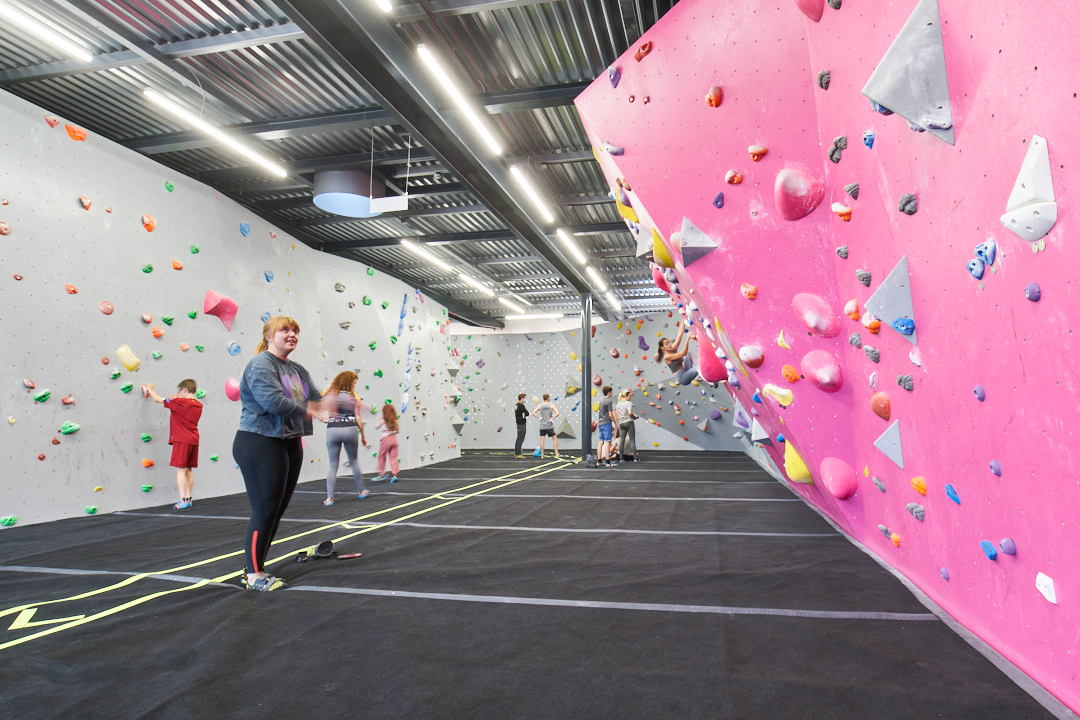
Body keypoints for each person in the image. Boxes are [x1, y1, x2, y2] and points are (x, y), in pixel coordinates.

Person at [234, 316, 330, 592]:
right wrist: (311, 410)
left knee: (275, 510)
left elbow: (315, 397)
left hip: (289, 441)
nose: (292, 335)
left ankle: (255, 566)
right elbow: (273, 402)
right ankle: (253, 575)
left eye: (295, 331)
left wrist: (334, 402)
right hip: (259, 442)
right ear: (268, 336)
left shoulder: (296, 368)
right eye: (284, 330)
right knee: (264, 510)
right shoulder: (261, 364)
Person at [144, 379, 203, 510]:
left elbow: (157, 399)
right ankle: (188, 498)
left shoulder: (178, 402)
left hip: (182, 440)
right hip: (193, 439)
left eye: (179, 391)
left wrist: (150, 388)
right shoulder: (198, 405)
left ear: (184, 390)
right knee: (188, 469)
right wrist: (175, 400)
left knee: (180, 470)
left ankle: (182, 500)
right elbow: (181, 409)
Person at [322, 371, 369, 505]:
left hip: (333, 429)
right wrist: (363, 435)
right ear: (349, 382)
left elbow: (326, 407)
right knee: (353, 461)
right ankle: (361, 491)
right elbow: (358, 418)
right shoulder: (354, 397)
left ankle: (329, 498)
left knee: (332, 465)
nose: (354, 385)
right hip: (350, 428)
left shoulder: (331, 395)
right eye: (354, 382)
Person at [656, 321, 699, 385]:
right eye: (666, 344)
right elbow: (683, 354)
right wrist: (687, 339)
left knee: (689, 353)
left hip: (685, 370)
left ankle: (700, 368)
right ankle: (707, 376)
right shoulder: (667, 357)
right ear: (662, 347)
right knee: (699, 367)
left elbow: (680, 333)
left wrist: (683, 320)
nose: (669, 344)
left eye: (669, 342)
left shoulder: (673, 349)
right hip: (682, 378)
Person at [371, 403, 400, 482]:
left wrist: (380, 418)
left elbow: (376, 426)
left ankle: (382, 472)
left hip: (386, 439)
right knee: (393, 458)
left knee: (381, 455)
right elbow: (398, 431)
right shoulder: (395, 420)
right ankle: (394, 475)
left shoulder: (384, 420)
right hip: (394, 439)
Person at [615, 389, 641, 463]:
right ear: (625, 396)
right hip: (629, 422)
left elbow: (617, 416)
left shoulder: (617, 405)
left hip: (621, 423)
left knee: (621, 441)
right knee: (632, 440)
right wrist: (635, 417)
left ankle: (621, 459)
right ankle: (635, 458)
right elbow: (630, 412)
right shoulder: (628, 403)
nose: (630, 397)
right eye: (629, 396)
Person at [596, 385, 617, 467]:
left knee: (600, 442)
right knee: (608, 442)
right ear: (609, 392)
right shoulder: (609, 401)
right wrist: (614, 423)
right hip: (606, 423)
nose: (612, 393)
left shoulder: (601, 401)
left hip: (600, 424)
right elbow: (610, 414)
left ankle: (599, 460)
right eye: (611, 391)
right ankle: (608, 461)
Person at [513, 393, 529, 458]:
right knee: (520, 439)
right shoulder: (521, 405)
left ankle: (516, 452)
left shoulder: (516, 405)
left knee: (518, 438)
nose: (525, 399)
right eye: (524, 398)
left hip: (518, 423)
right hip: (522, 423)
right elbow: (527, 413)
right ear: (522, 398)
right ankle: (518, 453)